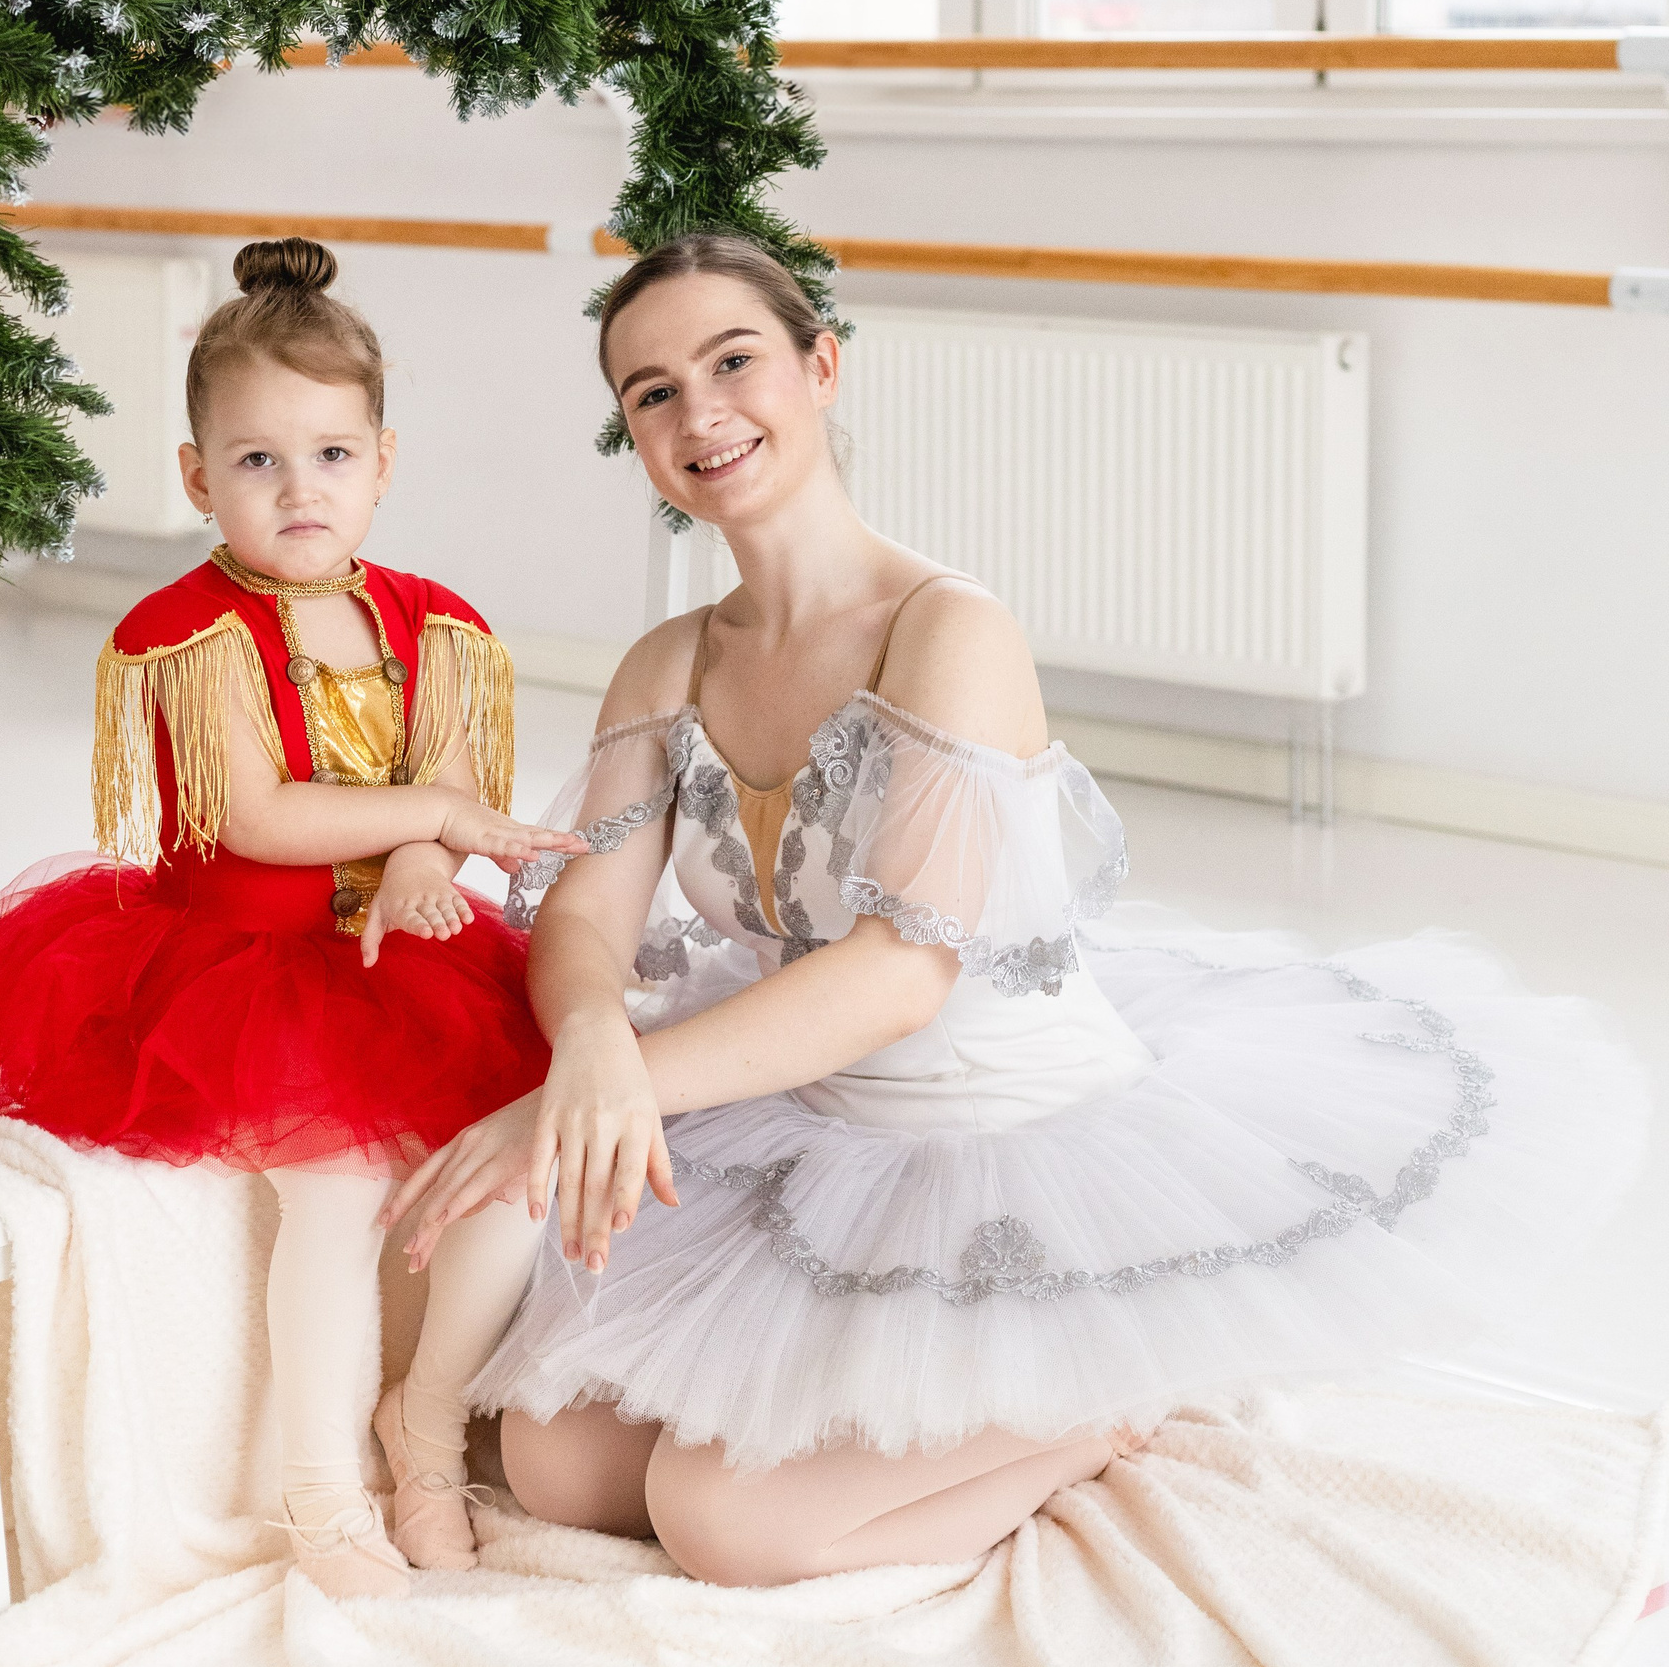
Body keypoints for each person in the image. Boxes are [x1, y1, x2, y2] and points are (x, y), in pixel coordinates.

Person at [387, 229, 1648, 1588]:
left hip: (1008, 1137)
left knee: (729, 1526)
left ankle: (1114, 1398)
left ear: (821, 367)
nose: (700, 415)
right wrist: (587, 1049)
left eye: (733, 362)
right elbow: (583, 921)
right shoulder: (669, 660)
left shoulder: (948, 629)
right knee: (555, 1467)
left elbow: (901, 975)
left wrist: (615, 1084)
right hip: (817, 1130)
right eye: (653, 392)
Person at [0, 240, 587, 1596]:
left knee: (514, 1164)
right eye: (258, 460)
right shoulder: (191, 633)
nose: (299, 488)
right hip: (247, 960)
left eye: (331, 455)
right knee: (336, 1188)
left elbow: (447, 792)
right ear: (199, 477)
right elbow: (259, 818)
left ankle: (429, 1422)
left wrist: (425, 860)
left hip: (400, 954)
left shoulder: (435, 627)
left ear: (383, 462)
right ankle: (320, 1493)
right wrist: (429, 824)